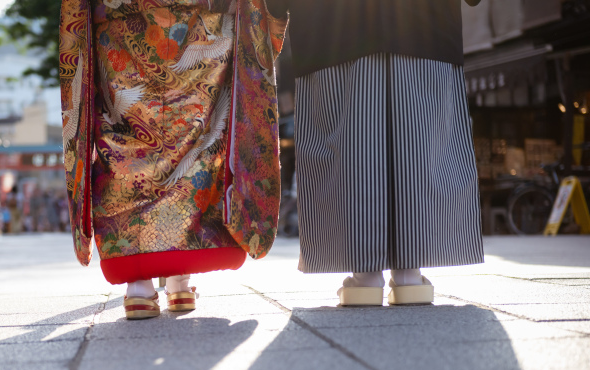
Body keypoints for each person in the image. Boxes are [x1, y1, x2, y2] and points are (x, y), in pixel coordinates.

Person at [60, 0, 287, 319]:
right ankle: (180, 280)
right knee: (198, 136)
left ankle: (139, 286)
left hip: (120, 23)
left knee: (125, 135)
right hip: (199, 19)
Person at [266, 0, 484, 306]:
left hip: (333, 29)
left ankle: (364, 276)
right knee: (421, 145)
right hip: (425, 27)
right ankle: (410, 275)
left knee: (350, 150)